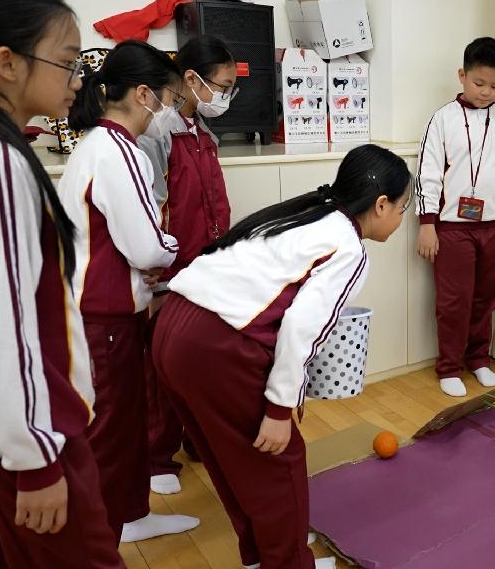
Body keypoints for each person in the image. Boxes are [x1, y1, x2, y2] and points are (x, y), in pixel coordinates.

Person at [153, 144, 411, 569]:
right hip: (215, 346)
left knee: (231, 462)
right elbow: (301, 328)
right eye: (402, 209)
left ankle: (262, 557)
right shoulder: (348, 247)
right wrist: (278, 408)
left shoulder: (308, 214)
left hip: (172, 329)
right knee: (278, 464)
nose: (401, 219)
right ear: (381, 205)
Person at [0, 0, 124, 566]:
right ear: (7, 63)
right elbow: (1, 328)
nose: (78, 80)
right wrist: (36, 460)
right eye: (67, 62)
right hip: (26, 441)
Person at [59, 39, 198, 544]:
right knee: (112, 429)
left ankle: (131, 515)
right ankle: (103, 532)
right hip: (106, 313)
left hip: (104, 307)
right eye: (169, 98)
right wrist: (170, 247)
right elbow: (146, 247)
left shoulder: (96, 146)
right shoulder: (120, 152)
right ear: (143, 95)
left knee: (126, 420)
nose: (170, 111)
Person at [137, 33, 237, 497]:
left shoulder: (205, 136)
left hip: (208, 270)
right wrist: (158, 282)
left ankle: (198, 440)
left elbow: (215, 207)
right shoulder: (158, 135)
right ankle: (158, 458)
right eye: (223, 86)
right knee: (163, 370)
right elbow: (155, 209)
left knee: (203, 362)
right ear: (192, 79)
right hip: (172, 275)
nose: (226, 96)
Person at [415, 36, 495, 398]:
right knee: (455, 299)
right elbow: (427, 174)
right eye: (479, 83)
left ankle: (478, 358)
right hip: (453, 228)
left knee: (488, 295)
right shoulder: (442, 119)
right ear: (462, 75)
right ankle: (449, 366)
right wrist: (427, 226)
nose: (486, 92)